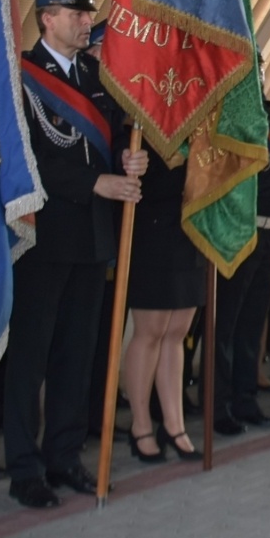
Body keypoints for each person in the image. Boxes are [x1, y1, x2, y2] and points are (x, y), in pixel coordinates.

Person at [6, 0, 146, 509]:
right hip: (40, 237)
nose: (88, 22)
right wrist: (94, 183)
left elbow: (109, 145)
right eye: (76, 13)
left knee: (77, 352)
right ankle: (25, 467)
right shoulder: (20, 77)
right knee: (31, 355)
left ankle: (65, 455)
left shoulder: (95, 77)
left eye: (89, 14)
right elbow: (23, 159)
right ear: (46, 18)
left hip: (91, 236)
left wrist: (130, 163)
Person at [120, 149, 203, 463]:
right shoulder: (146, 102)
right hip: (153, 220)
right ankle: (140, 425)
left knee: (177, 331)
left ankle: (174, 425)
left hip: (190, 220)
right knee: (150, 331)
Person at [213, 94, 270, 431]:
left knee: (252, 325)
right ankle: (219, 406)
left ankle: (246, 400)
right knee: (226, 326)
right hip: (240, 231)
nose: (257, 77)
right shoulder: (229, 112)